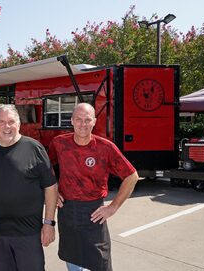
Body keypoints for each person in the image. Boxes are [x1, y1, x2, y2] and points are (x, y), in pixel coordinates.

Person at [48, 103, 139, 271]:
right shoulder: (59, 144)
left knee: (101, 263)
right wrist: (54, 190)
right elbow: (45, 167)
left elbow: (131, 176)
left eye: (87, 120)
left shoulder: (105, 147)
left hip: (94, 213)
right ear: (72, 121)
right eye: (79, 120)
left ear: (94, 122)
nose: (83, 124)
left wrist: (113, 207)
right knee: (73, 261)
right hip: (67, 211)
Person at [0, 104, 58, 271]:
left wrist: (49, 223)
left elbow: (51, 188)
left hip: (29, 235)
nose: (7, 126)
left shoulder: (34, 149)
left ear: (19, 125)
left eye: (11, 122)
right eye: (2, 122)